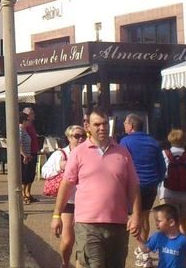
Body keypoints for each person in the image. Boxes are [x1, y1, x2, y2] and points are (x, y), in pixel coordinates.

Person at [51, 107, 141, 268]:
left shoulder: (122, 152)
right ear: (88, 127)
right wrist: (57, 215)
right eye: (97, 124)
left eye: (105, 123)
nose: (102, 128)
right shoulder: (79, 153)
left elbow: (133, 186)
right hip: (88, 223)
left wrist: (136, 215)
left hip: (118, 223)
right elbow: (66, 185)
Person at [41, 124, 85, 268]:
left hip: (86, 202)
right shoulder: (61, 154)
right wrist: (59, 166)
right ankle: (65, 263)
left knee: (84, 241)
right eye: (76, 136)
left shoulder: (89, 153)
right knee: (67, 240)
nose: (80, 139)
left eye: (83, 136)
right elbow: (44, 172)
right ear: (68, 138)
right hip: (68, 201)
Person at [119, 113, 166, 242]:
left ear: (131, 126)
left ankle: (137, 247)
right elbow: (162, 166)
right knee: (144, 217)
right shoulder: (153, 142)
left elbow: (121, 165)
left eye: (125, 123)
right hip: (150, 184)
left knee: (129, 217)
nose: (123, 125)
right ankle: (144, 250)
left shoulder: (125, 142)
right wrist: (156, 180)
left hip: (133, 186)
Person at [135, 203, 186, 268]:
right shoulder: (158, 236)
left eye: (159, 221)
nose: (156, 223)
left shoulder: (183, 240)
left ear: (171, 222)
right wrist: (138, 238)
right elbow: (146, 249)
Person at [158, 128, 186, 236]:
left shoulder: (164, 154)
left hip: (168, 193)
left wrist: (159, 189)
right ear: (184, 140)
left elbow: (159, 172)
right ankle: (183, 247)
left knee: (169, 223)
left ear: (170, 140)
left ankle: (172, 248)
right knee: (183, 223)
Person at [22, 106, 41, 203]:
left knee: (31, 173)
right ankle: (24, 194)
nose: (34, 115)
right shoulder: (24, 126)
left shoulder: (31, 125)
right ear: (28, 116)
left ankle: (28, 192)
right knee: (25, 173)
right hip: (28, 153)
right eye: (32, 113)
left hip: (34, 151)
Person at [19, 113, 36, 206]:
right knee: (24, 175)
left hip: (27, 155)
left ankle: (25, 193)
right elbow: (19, 143)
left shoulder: (23, 129)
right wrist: (24, 155)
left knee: (27, 175)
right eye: (27, 120)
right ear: (24, 121)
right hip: (23, 156)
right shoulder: (20, 130)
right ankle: (23, 195)